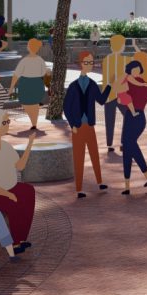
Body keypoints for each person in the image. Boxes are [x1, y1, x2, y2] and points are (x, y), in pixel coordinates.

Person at [0, 129, 38, 256]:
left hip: (9, 187)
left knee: (28, 191)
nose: (7, 125)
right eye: (5, 122)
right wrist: (8, 194)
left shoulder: (6, 146)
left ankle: (21, 238)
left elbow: (20, 166)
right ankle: (15, 243)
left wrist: (30, 143)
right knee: (15, 202)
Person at [62, 51, 110, 197]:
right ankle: (79, 189)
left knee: (94, 153)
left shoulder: (93, 84)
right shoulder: (73, 86)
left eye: (91, 62)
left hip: (89, 126)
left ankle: (100, 182)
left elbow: (101, 100)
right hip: (77, 127)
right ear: (80, 63)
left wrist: (108, 86)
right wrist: (72, 125)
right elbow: (66, 107)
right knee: (79, 157)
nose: (90, 65)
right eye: (87, 62)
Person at [0, 38, 51, 137]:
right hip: (37, 83)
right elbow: (43, 72)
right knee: (33, 104)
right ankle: (34, 122)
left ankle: (34, 123)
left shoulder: (25, 61)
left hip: (27, 83)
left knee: (27, 103)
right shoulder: (40, 60)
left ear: (29, 48)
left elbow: (16, 75)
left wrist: (12, 87)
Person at [117, 57, 147, 194]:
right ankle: (129, 186)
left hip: (135, 117)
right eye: (134, 70)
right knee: (128, 148)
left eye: (138, 70)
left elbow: (121, 87)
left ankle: (144, 178)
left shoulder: (136, 82)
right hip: (133, 117)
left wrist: (127, 78)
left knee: (129, 146)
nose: (136, 73)